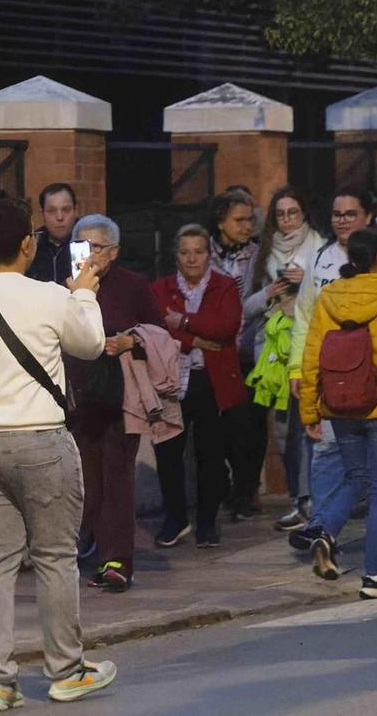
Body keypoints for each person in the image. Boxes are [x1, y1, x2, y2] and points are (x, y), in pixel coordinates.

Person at [0, 198, 116, 704]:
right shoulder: (46, 295)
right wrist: (84, 294)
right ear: (27, 243)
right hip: (42, 439)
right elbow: (90, 343)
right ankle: (66, 669)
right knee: (55, 557)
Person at [299, 227, 377, 599]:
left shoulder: (328, 299)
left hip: (340, 406)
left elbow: (312, 358)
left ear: (350, 260)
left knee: (357, 478)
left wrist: (310, 411)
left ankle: (324, 532)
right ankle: (373, 575)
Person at [287, 187, 377, 553]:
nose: (342, 220)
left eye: (350, 213)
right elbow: (305, 316)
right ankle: (322, 528)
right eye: (337, 214)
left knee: (375, 463)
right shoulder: (321, 260)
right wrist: (298, 369)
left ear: (368, 216)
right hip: (332, 374)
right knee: (325, 452)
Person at [67, 215, 163, 593]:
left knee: (117, 479)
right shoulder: (69, 286)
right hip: (79, 397)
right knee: (88, 483)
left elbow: (158, 332)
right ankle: (94, 550)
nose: (89, 254)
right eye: (82, 246)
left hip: (121, 396)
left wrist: (129, 340)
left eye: (96, 247)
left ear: (114, 252)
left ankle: (118, 562)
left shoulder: (133, 286)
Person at [154, 223, 243, 548]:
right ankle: (175, 519)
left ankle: (207, 522)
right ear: (175, 256)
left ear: (208, 255)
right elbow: (159, 330)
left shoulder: (224, 286)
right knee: (168, 453)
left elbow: (226, 327)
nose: (192, 259)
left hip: (211, 381)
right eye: (185, 252)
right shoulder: (161, 288)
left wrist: (186, 322)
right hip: (172, 379)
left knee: (210, 454)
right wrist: (197, 340)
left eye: (199, 252)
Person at [247, 187, 325, 530]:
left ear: (304, 214)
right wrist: (269, 292)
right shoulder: (263, 254)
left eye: (293, 212)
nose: (287, 220)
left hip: (309, 344)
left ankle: (313, 499)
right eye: (281, 214)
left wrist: (305, 280)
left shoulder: (320, 247)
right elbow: (244, 308)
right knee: (282, 432)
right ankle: (297, 498)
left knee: (310, 427)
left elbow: (331, 295)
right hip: (273, 350)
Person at [208, 192, 264, 520]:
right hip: (218, 350)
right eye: (238, 220)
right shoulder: (205, 254)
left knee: (253, 424)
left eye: (249, 220)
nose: (245, 226)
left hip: (251, 346)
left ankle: (247, 488)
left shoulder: (258, 253)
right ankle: (230, 485)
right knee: (225, 426)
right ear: (220, 222)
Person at [25, 184, 78, 286]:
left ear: (76, 210)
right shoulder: (31, 246)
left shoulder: (86, 244)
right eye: (52, 211)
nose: (59, 217)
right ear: (42, 214)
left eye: (66, 210)